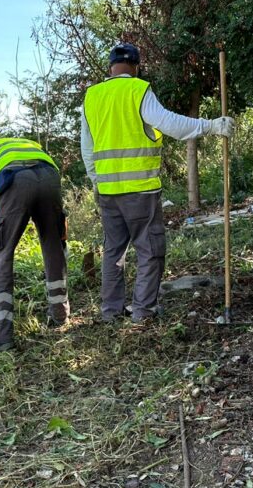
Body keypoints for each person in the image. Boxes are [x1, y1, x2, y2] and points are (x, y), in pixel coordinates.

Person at [81, 42, 234, 324]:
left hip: (108, 193)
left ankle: (111, 312)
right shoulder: (138, 90)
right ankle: (143, 312)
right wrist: (211, 126)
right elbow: (169, 124)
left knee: (114, 252)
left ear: (110, 68)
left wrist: (97, 182)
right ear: (136, 67)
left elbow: (87, 149)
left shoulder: (92, 96)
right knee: (150, 251)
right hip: (140, 191)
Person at [0, 137, 68, 351]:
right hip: (50, 177)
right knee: (54, 248)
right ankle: (60, 316)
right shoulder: (32, 146)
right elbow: (59, 223)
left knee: (1, 255)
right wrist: (62, 238)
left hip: (15, 180)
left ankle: (1, 337)